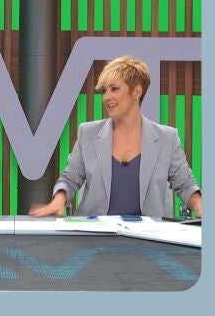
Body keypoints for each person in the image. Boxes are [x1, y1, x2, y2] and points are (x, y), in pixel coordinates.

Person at [30, 56, 202, 218]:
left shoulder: (167, 138)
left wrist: (202, 208)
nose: (106, 97)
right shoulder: (88, 133)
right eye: (104, 91)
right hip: (94, 239)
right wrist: (58, 201)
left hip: (149, 242)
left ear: (137, 91)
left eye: (114, 89)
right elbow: (70, 179)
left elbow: (185, 183)